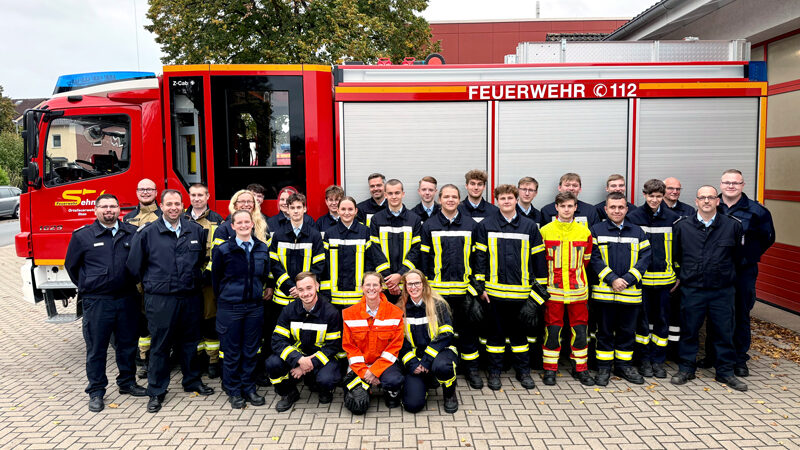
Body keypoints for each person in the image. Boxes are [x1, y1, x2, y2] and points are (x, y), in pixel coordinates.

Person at [126, 189, 214, 413]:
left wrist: (197, 279)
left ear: (182, 206)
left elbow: (202, 260)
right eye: (169, 204)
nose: (173, 207)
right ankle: (156, 391)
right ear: (161, 207)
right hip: (161, 299)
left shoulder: (195, 230)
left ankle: (192, 381)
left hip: (190, 297)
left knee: (190, 343)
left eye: (177, 203)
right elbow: (134, 266)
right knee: (160, 346)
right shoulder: (147, 232)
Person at [64, 194, 147, 412]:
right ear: (96, 210)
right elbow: (72, 266)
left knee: (127, 345)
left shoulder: (131, 232)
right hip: (97, 301)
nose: (109, 210)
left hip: (128, 298)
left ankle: (127, 383)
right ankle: (96, 391)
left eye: (113, 206)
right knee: (97, 348)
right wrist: (90, 284)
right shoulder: (83, 236)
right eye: (104, 207)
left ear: (120, 209)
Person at [670, 185, 747, 391]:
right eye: (702, 198)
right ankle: (686, 369)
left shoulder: (732, 226)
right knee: (689, 330)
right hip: (692, 288)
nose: (706, 201)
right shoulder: (682, 226)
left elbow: (738, 258)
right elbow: (675, 255)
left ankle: (725, 372)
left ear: (718, 201)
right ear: (696, 201)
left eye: (711, 197)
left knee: (724, 332)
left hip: (722, 290)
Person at [699, 169, 774, 376]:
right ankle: (712, 356)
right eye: (727, 182)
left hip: (743, 272)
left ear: (743, 185)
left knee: (740, 314)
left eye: (735, 183)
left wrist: (746, 257)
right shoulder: (712, 206)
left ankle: (739, 359)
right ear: (721, 185)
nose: (731, 186)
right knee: (714, 314)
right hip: (716, 271)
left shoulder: (756, 211)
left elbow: (767, 238)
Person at [474, 184, 547, 390]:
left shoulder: (530, 226)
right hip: (493, 294)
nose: (506, 201)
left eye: (510, 198)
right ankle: (494, 372)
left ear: (516, 200)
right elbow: (479, 258)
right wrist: (480, 288)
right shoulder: (486, 226)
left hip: (521, 294)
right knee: (495, 335)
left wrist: (538, 296)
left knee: (520, 336)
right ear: (497, 201)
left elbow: (539, 261)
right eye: (502, 198)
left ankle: (523, 372)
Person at [419, 184, 482, 389]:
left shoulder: (471, 225)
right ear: (440, 199)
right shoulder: (429, 225)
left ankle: (472, 370)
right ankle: (442, 369)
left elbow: (478, 258)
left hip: (463, 291)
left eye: (454, 197)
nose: (450, 200)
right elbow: (424, 259)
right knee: (439, 333)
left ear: (459, 200)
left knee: (468, 332)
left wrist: (476, 288)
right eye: (446, 196)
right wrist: (426, 289)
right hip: (438, 292)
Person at [589, 192, 651, 386]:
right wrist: (612, 279)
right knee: (604, 332)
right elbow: (594, 258)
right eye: (613, 207)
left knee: (627, 331)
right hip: (604, 294)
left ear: (627, 209)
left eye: (621, 207)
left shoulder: (638, 232)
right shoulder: (596, 230)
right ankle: (604, 368)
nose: (617, 211)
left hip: (630, 294)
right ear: (606, 209)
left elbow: (645, 258)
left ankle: (624, 366)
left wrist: (628, 279)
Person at [211, 210, 270, 409]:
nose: (244, 225)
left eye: (247, 221)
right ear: (233, 226)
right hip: (230, 308)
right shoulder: (223, 249)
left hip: (254, 307)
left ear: (252, 224)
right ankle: (234, 390)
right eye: (240, 222)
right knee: (232, 351)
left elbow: (264, 275)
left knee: (250, 350)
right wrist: (228, 298)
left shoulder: (262, 248)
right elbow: (216, 279)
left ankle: (249, 388)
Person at [539, 191, 595, 386]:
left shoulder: (584, 232)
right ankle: (550, 369)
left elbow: (586, 261)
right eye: (563, 206)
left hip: (578, 291)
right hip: (553, 291)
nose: (566, 209)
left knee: (580, 331)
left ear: (575, 207)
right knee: (552, 331)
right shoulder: (545, 231)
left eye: (570, 206)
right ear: (556, 207)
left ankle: (580, 368)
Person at [266, 272, 342, 412]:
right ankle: (288, 392)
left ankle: (323, 389)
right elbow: (277, 340)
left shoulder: (331, 312)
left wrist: (307, 365)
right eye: (300, 290)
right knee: (272, 363)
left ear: (317, 286)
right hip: (298, 356)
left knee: (327, 379)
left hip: (320, 358)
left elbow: (333, 346)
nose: (305, 293)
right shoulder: (288, 310)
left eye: (309, 288)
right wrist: (299, 359)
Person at [627, 179, 679, 379]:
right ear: (644, 195)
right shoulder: (634, 217)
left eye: (658, 196)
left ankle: (658, 361)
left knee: (662, 323)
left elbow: (678, 250)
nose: (654, 200)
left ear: (663, 196)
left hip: (666, 283)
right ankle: (644, 360)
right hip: (642, 282)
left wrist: (678, 274)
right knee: (642, 324)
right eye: (651, 196)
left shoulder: (673, 218)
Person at [341, 272, 405, 415]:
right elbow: (350, 348)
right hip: (360, 365)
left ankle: (390, 391)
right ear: (362, 288)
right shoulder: (349, 313)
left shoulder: (395, 313)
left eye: (375, 285)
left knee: (394, 380)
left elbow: (394, 347)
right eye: (367, 285)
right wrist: (365, 372)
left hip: (385, 364)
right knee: (358, 407)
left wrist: (375, 371)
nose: (371, 288)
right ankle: (365, 387)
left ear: (381, 287)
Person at [397, 270, 459, 413]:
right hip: (416, 359)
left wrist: (427, 360)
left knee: (443, 367)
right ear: (405, 287)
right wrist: (412, 363)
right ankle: (425, 381)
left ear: (423, 284)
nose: (414, 287)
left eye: (417, 283)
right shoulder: (400, 308)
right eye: (409, 284)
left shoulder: (438, 304)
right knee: (412, 406)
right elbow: (398, 341)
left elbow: (446, 334)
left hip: (439, 354)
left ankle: (449, 393)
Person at [122, 178, 162, 380]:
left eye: (149, 189)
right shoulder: (128, 218)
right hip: (138, 282)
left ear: (156, 192)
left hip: (159, 280)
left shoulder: (164, 216)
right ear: (137, 192)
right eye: (142, 189)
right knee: (142, 324)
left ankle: (162, 360)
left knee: (160, 322)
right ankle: (143, 362)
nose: (145, 192)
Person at [185, 183, 225, 379]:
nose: (197, 198)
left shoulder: (218, 220)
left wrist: (207, 273)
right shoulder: (181, 218)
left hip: (208, 279)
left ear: (208, 196)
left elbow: (219, 252)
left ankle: (212, 361)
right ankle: (196, 359)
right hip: (186, 280)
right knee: (191, 320)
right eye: (193, 195)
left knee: (210, 319)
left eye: (200, 195)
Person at [321, 196, 382, 310]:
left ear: (356, 211)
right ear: (338, 211)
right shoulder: (330, 234)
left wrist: (368, 288)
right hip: (334, 297)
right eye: (343, 209)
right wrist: (326, 293)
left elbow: (370, 263)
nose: (346, 213)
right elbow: (325, 264)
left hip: (359, 296)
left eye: (350, 209)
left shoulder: (365, 232)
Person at [370, 179, 423, 302]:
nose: (394, 197)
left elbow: (416, 251)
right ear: (385, 195)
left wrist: (400, 275)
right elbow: (375, 251)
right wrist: (390, 281)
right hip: (384, 284)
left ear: (403, 194)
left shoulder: (414, 219)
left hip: (407, 283)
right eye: (390, 193)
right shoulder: (376, 219)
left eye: (397, 193)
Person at [270, 193, 326, 307]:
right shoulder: (278, 235)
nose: (296, 211)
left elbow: (319, 265)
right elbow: (274, 265)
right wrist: (289, 286)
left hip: (307, 297)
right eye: (292, 208)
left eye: (299, 207)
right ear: (288, 210)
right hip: (283, 297)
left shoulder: (314, 235)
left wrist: (303, 288)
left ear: (305, 209)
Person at [662, 177, 695, 357]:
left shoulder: (689, 211)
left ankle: (674, 352)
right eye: (670, 188)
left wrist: (681, 273)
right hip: (659, 273)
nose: (674, 192)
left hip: (680, 271)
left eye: (678, 189)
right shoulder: (655, 211)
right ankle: (659, 350)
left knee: (677, 315)